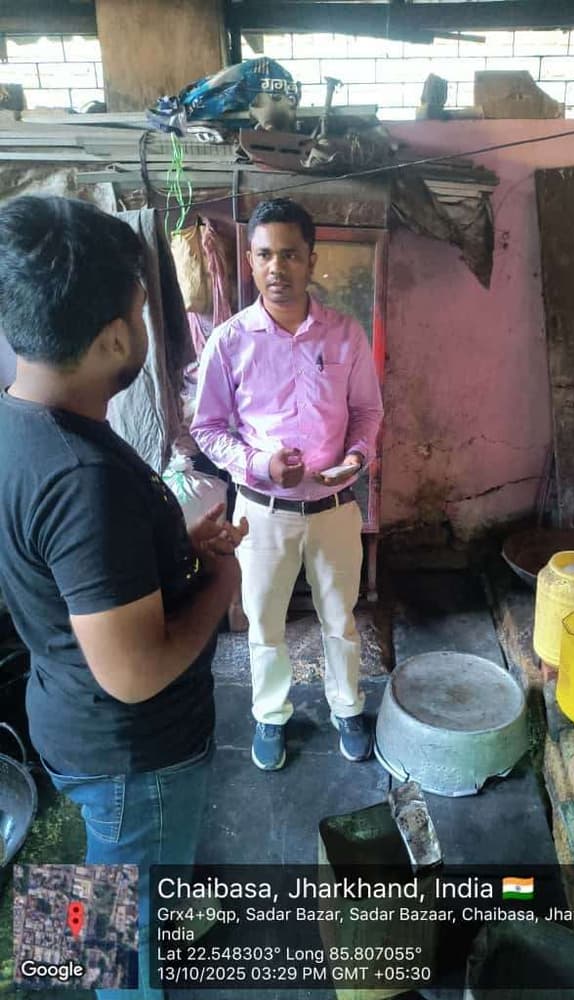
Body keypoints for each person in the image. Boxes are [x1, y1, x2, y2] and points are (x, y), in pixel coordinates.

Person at [0, 194, 247, 999]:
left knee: (110, 866)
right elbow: (133, 674)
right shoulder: (83, 478)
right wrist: (221, 582)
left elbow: (70, 573)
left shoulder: (19, 423)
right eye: (141, 312)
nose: (145, 327)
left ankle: (106, 926)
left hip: (67, 715)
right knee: (126, 941)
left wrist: (170, 551)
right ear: (112, 338)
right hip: (134, 754)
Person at [191, 197, 383, 772]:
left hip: (334, 507)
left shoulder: (345, 335)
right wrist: (259, 465)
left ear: (311, 260)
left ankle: (347, 707)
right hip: (262, 512)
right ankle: (271, 715)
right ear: (251, 261)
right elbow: (207, 428)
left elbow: (367, 412)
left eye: (290, 255)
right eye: (265, 255)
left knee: (340, 619)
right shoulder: (229, 341)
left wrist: (356, 456)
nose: (278, 267)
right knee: (265, 623)